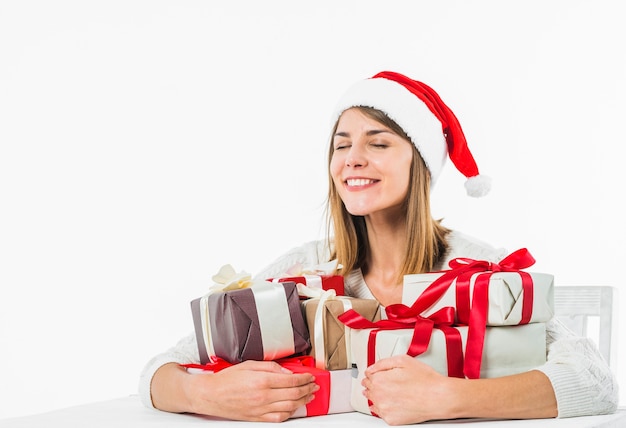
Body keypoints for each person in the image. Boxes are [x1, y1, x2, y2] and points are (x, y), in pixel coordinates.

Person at [139, 71, 618, 424]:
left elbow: (596, 384)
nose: (353, 159)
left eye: (379, 143)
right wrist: (207, 396)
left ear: (421, 163)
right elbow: (159, 370)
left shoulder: (476, 272)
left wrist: (448, 398)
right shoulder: (305, 267)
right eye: (341, 145)